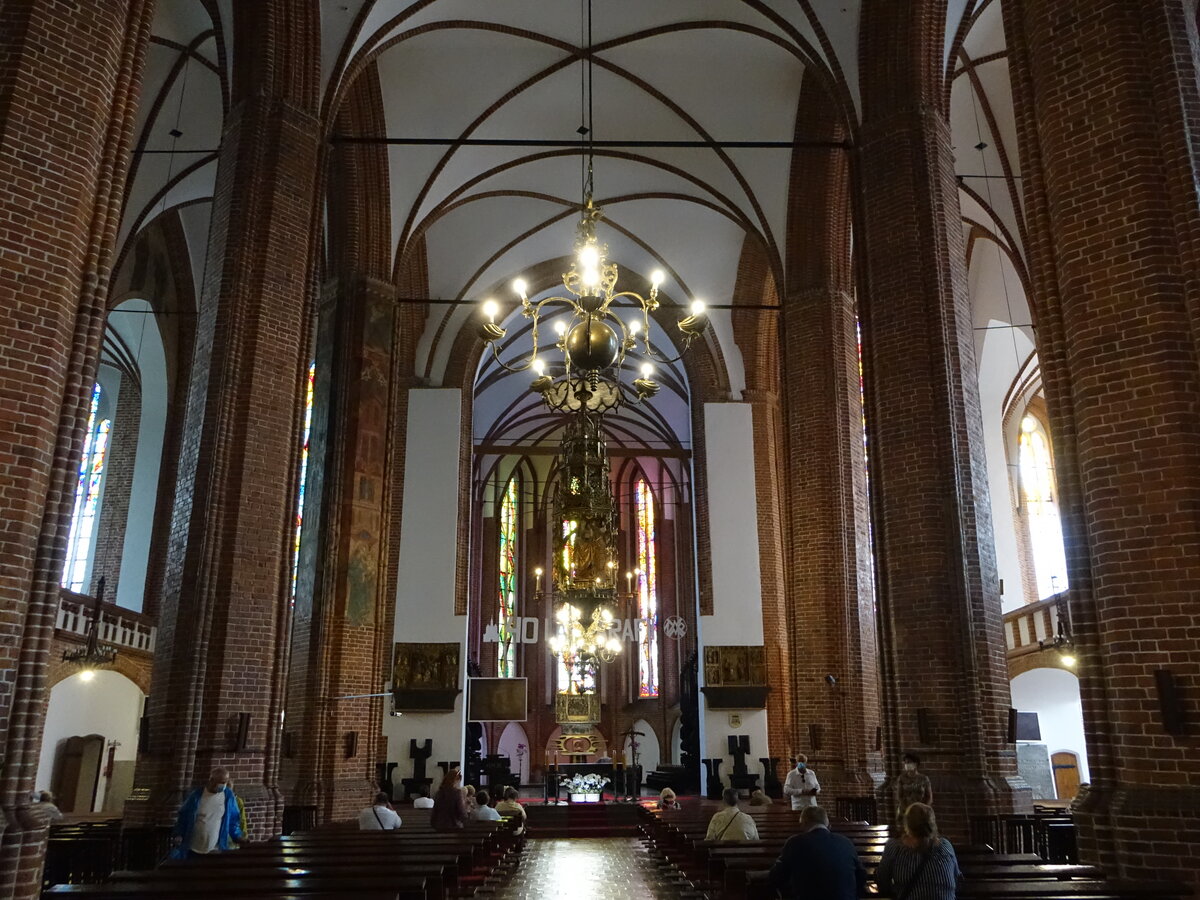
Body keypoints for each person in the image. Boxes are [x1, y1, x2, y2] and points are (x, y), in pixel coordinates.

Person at [767, 805, 866, 900]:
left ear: (803, 823)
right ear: (827, 823)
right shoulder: (845, 841)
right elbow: (861, 875)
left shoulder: (795, 842)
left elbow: (775, 877)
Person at [875, 803, 961, 900]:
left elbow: (883, 884)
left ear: (907, 824)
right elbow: (956, 879)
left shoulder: (895, 847)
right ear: (932, 823)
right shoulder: (945, 846)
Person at [171, 767, 244, 858]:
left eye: (225, 782)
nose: (223, 785)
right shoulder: (196, 796)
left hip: (216, 848)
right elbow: (183, 817)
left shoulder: (228, 796)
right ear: (211, 780)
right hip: (193, 847)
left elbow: (233, 819)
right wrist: (179, 834)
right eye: (220, 782)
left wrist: (237, 836)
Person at [894, 752, 934, 823]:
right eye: (905, 763)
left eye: (909, 762)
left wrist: (923, 809)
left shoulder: (924, 778)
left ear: (915, 764)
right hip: (905, 809)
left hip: (920, 810)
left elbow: (929, 797)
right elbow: (899, 796)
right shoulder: (902, 778)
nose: (906, 765)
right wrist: (907, 809)